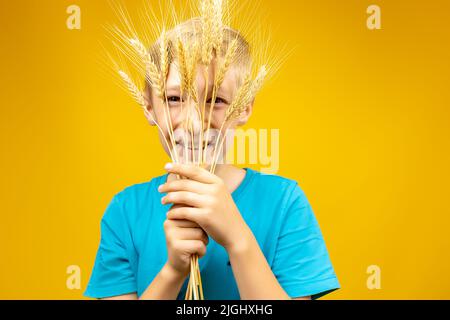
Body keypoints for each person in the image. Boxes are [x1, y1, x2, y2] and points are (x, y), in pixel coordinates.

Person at [84, 18, 340, 300]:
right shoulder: (125, 212)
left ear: (243, 107)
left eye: (215, 100)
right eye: (174, 99)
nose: (194, 123)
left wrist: (237, 238)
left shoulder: (285, 202)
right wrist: (173, 271)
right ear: (148, 106)